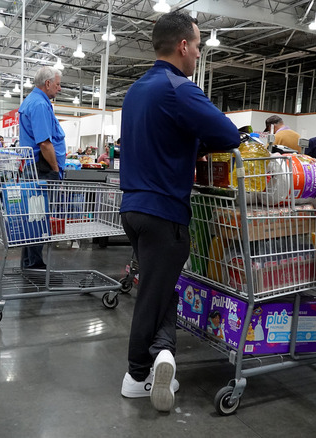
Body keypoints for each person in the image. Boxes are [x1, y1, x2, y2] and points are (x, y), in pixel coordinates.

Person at [118, 11, 240, 412]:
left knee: (161, 287)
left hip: (133, 208)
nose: (200, 54)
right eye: (199, 46)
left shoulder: (136, 90)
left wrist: (187, 144)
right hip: (164, 212)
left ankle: (162, 353)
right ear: (183, 46)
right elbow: (226, 133)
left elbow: (159, 140)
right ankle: (136, 375)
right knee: (153, 296)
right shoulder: (179, 88)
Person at [18, 65, 66, 269]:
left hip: (34, 166)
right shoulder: (39, 104)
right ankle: (34, 264)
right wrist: (55, 169)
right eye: (57, 84)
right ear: (47, 84)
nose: (60, 89)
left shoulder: (33, 101)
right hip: (41, 167)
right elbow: (45, 143)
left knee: (33, 215)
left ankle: (29, 261)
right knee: (38, 217)